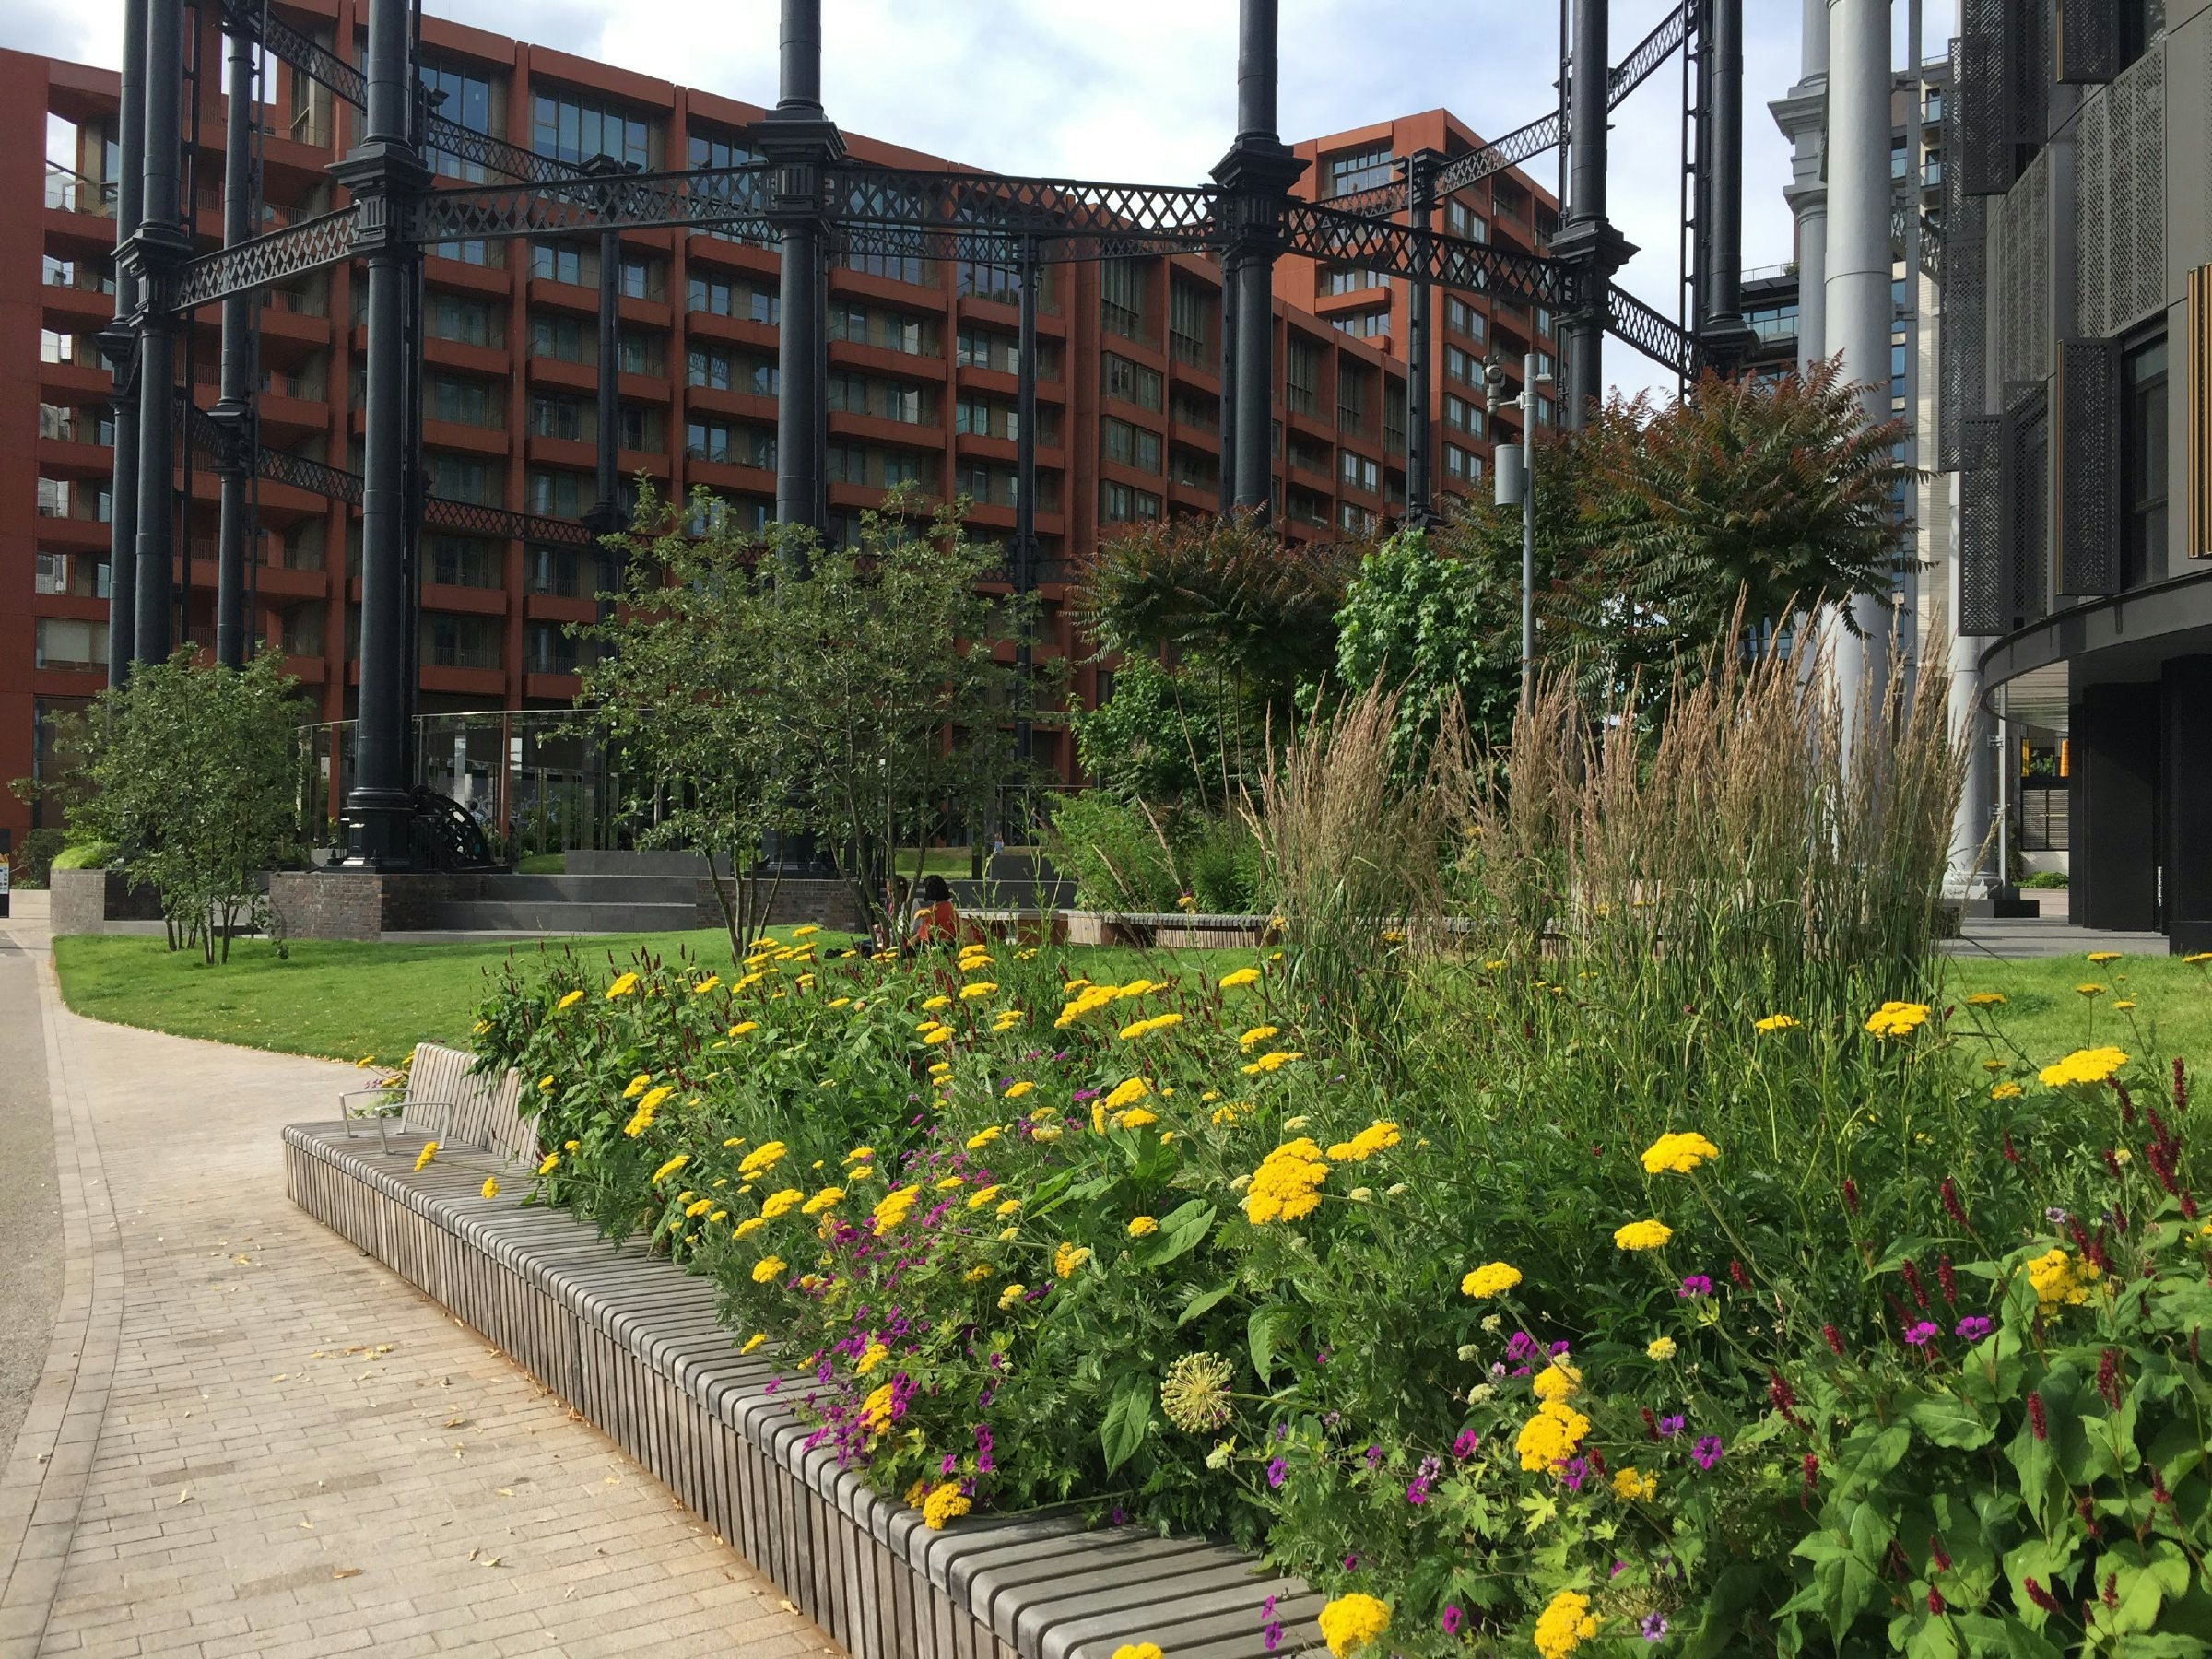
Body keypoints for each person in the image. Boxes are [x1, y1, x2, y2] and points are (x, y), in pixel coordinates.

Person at [911, 874, 959, 945]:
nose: (924, 890)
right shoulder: (949, 907)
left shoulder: (934, 912)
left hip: (938, 945)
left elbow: (922, 935)